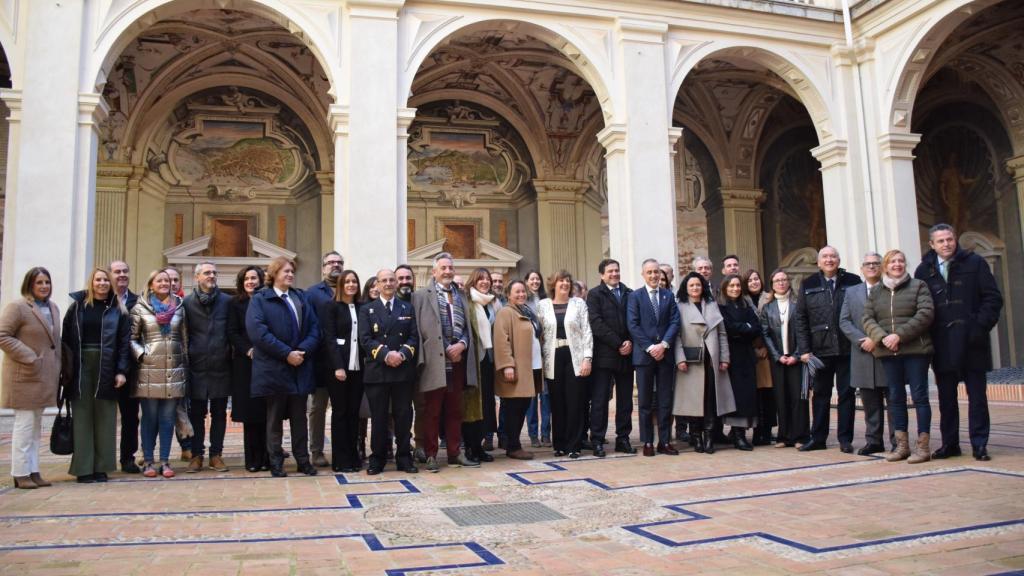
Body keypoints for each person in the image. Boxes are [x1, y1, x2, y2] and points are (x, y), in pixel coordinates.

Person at [914, 223, 1003, 461]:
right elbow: (919, 307)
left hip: (973, 341)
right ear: (932, 244)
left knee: (977, 397)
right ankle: (950, 444)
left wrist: (978, 327)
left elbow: (993, 299)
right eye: (940, 241)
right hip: (942, 344)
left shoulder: (975, 263)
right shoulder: (923, 271)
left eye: (949, 239)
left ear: (956, 240)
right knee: (946, 399)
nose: (946, 244)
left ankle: (979, 443)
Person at [246, 256, 321, 478]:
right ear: (274, 273)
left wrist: (301, 352)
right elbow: (258, 333)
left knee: (300, 418)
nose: (290, 274)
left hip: (300, 367)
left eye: (292, 271)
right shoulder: (260, 299)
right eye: (285, 271)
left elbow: (315, 329)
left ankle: (303, 460)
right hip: (274, 369)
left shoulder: (300, 297)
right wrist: (286, 353)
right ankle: (276, 461)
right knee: (274, 418)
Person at [863, 249, 935, 463]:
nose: (897, 264)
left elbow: (925, 314)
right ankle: (901, 445)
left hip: (916, 351)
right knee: (895, 398)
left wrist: (899, 336)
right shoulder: (876, 292)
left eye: (901, 261)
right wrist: (882, 337)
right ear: (886, 266)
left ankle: (923, 447)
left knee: (920, 396)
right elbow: (867, 318)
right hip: (888, 352)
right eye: (892, 261)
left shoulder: (918, 286)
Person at [62, 267, 131, 483]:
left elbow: (124, 343)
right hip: (81, 365)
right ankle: (83, 468)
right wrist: (66, 369)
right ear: (91, 283)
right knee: (82, 416)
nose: (102, 283)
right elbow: (66, 340)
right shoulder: (77, 308)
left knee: (105, 416)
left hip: (107, 365)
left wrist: (121, 371)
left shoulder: (118, 310)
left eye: (105, 280)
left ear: (111, 284)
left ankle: (102, 466)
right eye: (98, 279)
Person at [412, 253, 479, 472]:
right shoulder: (421, 295)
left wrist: (461, 344)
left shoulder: (460, 295)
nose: (448, 271)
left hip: (458, 361)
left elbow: (468, 329)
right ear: (434, 272)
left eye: (450, 267)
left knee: (454, 410)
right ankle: (431, 455)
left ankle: (454, 453)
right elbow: (418, 331)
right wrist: (441, 351)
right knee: (431, 411)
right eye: (443, 268)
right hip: (433, 362)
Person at [793, 246, 861, 452]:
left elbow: (860, 313)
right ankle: (818, 438)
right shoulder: (808, 283)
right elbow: (801, 319)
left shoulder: (853, 281)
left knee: (847, 394)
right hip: (819, 350)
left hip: (847, 348)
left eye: (833, 256)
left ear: (839, 260)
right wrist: (804, 350)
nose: (829, 260)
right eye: (825, 257)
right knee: (820, 395)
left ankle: (845, 439)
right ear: (819, 262)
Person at [0, 267, 62, 489]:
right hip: (24, 376)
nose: (44, 286)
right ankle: (20, 472)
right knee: (24, 425)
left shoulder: (53, 307)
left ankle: (33, 470)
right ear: (29, 285)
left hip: (45, 376)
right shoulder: (18, 307)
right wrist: (29, 356)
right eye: (39, 283)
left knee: (36, 427)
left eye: (47, 282)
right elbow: (2, 335)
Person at [359, 268, 419, 475]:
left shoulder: (407, 308)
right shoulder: (367, 309)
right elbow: (365, 339)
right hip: (378, 371)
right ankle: (378, 458)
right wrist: (386, 355)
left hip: (402, 371)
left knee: (403, 416)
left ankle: (404, 457)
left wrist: (401, 355)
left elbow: (413, 337)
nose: (388, 283)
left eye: (391, 280)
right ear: (376, 284)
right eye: (384, 280)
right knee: (379, 418)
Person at [131, 269, 187, 479]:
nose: (164, 283)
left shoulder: (180, 308)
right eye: (159, 280)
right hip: (149, 371)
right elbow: (132, 338)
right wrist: (143, 355)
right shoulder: (140, 308)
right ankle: (148, 461)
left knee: (167, 418)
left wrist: (184, 364)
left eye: (167, 280)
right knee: (150, 418)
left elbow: (184, 338)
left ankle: (164, 460)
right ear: (151, 284)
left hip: (173, 370)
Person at [180, 261, 232, 473]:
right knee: (197, 414)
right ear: (197, 277)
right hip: (196, 367)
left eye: (214, 273)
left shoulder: (227, 301)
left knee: (220, 413)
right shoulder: (186, 303)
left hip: (221, 366)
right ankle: (196, 454)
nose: (212, 276)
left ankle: (216, 455)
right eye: (207, 273)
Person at [838, 253, 892, 455]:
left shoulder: (890, 288)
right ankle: (874, 440)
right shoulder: (852, 292)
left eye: (875, 264)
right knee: (870, 402)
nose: (871, 267)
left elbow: (895, 319)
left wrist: (876, 339)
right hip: (862, 352)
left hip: (887, 351)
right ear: (862, 268)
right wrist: (862, 340)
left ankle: (897, 440)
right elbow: (844, 321)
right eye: (867, 264)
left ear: (882, 267)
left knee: (893, 400)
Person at [627, 258, 682, 457]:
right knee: (645, 402)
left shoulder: (668, 296)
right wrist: (651, 347)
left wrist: (664, 345)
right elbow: (633, 325)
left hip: (665, 356)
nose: (653, 276)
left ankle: (665, 441)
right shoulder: (635, 297)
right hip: (644, 357)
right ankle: (648, 441)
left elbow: (675, 322)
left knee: (665, 400)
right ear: (643, 275)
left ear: (661, 274)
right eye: (649, 272)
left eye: (656, 272)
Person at [672, 272, 731, 454]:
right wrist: (680, 358)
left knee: (710, 401)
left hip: (711, 360)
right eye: (691, 285)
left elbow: (721, 333)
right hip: (691, 361)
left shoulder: (712, 305)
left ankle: (709, 437)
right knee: (694, 401)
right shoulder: (680, 306)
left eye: (698, 285)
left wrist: (724, 357)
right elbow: (677, 336)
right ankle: (696, 437)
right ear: (686, 288)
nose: (695, 288)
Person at [538, 270, 593, 459]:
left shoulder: (579, 303)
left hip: (574, 356)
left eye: (568, 281)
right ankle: (559, 444)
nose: (565, 284)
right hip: (552, 357)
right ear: (553, 284)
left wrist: (587, 358)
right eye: (561, 280)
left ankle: (574, 445)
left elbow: (587, 331)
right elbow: (539, 334)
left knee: (575, 401)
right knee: (557, 402)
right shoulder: (543, 305)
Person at [587, 258, 635, 456]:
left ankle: (623, 439)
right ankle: (597, 439)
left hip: (626, 355)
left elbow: (635, 320)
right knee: (600, 401)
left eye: (617, 270)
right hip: (604, 356)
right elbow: (596, 323)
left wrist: (630, 342)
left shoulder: (629, 293)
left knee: (626, 401)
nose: (614, 274)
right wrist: (618, 343)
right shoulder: (594, 294)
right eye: (610, 271)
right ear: (602, 274)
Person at [322, 269, 365, 472]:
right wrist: (338, 366)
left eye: (354, 281)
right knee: (340, 413)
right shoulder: (331, 307)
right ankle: (341, 460)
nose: (351, 285)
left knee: (354, 413)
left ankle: (354, 457)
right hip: (339, 369)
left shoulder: (362, 307)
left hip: (358, 368)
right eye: (347, 282)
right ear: (340, 285)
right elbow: (329, 339)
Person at [305, 251, 345, 468]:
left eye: (339, 262)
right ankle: (316, 451)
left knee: (343, 407)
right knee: (317, 408)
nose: (335, 265)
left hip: (345, 360)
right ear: (323, 268)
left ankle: (343, 450)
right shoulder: (312, 294)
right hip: (320, 360)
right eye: (331, 263)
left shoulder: (349, 290)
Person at [494, 280, 542, 460]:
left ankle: (512, 443)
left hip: (532, 366)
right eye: (517, 292)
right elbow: (501, 340)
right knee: (514, 408)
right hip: (516, 369)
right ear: (508, 294)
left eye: (523, 291)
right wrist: (507, 364)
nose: (521, 294)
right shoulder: (506, 313)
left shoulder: (527, 311)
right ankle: (513, 446)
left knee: (522, 407)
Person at [760, 269, 808, 448]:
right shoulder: (768, 307)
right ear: (772, 285)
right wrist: (777, 356)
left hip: (797, 359)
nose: (781, 283)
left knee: (799, 397)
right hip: (778, 360)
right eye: (777, 281)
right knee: (781, 398)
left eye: (784, 280)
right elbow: (765, 334)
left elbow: (804, 331)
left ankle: (800, 436)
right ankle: (784, 436)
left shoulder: (798, 303)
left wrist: (796, 355)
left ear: (789, 282)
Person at [228, 265, 268, 473]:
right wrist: (248, 350)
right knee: (250, 415)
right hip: (245, 363)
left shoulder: (268, 300)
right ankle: (252, 459)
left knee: (266, 412)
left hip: (268, 362)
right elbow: (233, 332)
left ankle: (267, 457)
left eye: (254, 278)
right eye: (247, 279)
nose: (251, 282)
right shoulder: (235, 303)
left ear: (261, 280)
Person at [718, 274, 761, 450]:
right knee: (735, 396)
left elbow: (757, 327)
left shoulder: (746, 305)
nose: (735, 288)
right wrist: (745, 328)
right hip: (731, 356)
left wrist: (743, 329)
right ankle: (737, 434)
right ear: (725, 288)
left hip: (747, 355)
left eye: (737, 285)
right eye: (731, 286)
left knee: (748, 396)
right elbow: (728, 327)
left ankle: (742, 432)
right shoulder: (721, 307)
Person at [465, 267, 501, 463]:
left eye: (487, 279)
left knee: (487, 404)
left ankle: (479, 446)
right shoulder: (468, 301)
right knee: (472, 404)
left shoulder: (494, 303)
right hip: (473, 358)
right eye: (481, 279)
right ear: (474, 281)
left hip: (489, 359)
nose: (485, 282)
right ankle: (470, 446)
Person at [110, 259, 141, 473]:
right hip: (104, 366)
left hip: (130, 369)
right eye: (117, 271)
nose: (122, 274)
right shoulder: (99, 300)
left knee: (130, 417)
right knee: (102, 416)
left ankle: (127, 458)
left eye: (125, 271)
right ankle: (101, 457)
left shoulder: (138, 302)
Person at [742, 269, 774, 446]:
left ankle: (767, 432)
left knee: (769, 395)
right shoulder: (743, 301)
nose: (754, 282)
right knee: (755, 396)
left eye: (756, 279)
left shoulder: (769, 298)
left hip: (768, 353)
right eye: (750, 280)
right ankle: (756, 432)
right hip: (751, 353)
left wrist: (767, 348)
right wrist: (754, 349)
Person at [163, 266, 191, 462]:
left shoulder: (185, 305)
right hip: (156, 364)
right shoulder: (149, 304)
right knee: (155, 411)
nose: (172, 283)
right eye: (168, 279)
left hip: (181, 362)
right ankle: (150, 451)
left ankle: (186, 446)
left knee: (181, 407)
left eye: (175, 280)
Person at [524, 269, 551, 447]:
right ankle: (533, 434)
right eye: (532, 279)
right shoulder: (522, 301)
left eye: (537, 279)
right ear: (526, 281)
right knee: (532, 397)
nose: (535, 282)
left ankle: (546, 433)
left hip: (546, 352)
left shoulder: (547, 301)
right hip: (530, 353)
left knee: (546, 396)